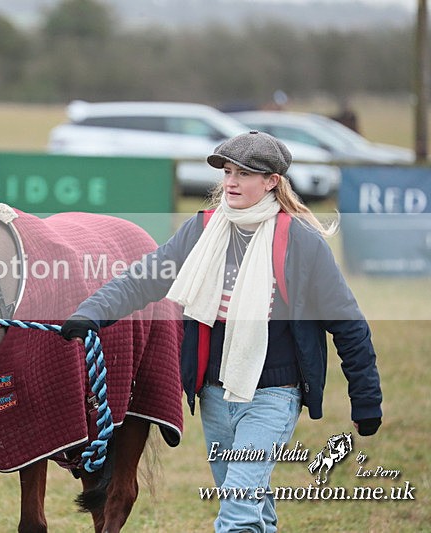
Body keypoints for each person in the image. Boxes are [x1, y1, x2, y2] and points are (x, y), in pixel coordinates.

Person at [61, 131, 382, 532]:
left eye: (244, 173)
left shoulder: (302, 243)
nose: (230, 181)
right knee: (251, 503)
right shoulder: (202, 231)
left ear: (272, 182)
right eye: (228, 171)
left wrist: (366, 401)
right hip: (214, 395)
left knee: (237, 512)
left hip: (272, 396)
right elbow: (144, 278)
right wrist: (91, 312)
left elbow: (348, 325)